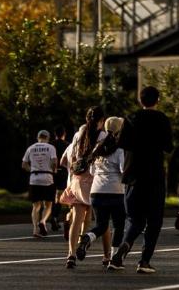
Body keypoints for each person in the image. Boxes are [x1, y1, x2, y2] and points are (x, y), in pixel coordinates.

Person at [110, 87, 174, 273]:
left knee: (136, 220)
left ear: (140, 101)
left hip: (132, 176)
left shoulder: (130, 118)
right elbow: (168, 146)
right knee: (154, 221)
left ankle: (122, 250)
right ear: (158, 100)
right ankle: (144, 261)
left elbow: (122, 143)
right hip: (154, 175)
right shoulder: (162, 119)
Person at [76, 116, 126, 267]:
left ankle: (88, 237)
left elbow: (91, 171)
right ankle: (113, 258)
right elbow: (123, 169)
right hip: (115, 191)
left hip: (96, 191)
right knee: (119, 225)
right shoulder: (119, 149)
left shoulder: (98, 147)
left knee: (101, 225)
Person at [62, 106, 105, 269]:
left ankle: (71, 255)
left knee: (76, 219)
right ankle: (91, 247)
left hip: (78, 180)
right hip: (95, 180)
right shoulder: (103, 136)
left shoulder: (78, 135)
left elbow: (71, 157)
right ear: (101, 121)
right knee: (96, 218)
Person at [22, 129, 58, 238]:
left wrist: (32, 169)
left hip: (34, 178)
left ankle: (35, 229)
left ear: (38, 137)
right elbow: (54, 161)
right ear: (47, 138)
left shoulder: (31, 148)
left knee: (36, 206)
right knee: (48, 205)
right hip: (47, 178)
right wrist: (54, 169)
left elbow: (24, 164)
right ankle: (43, 221)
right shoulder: (51, 147)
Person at [50, 126, 69, 232]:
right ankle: (55, 216)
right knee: (60, 196)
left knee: (52, 196)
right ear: (64, 134)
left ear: (55, 134)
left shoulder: (50, 145)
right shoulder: (67, 145)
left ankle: (52, 216)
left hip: (51, 173)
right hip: (63, 172)